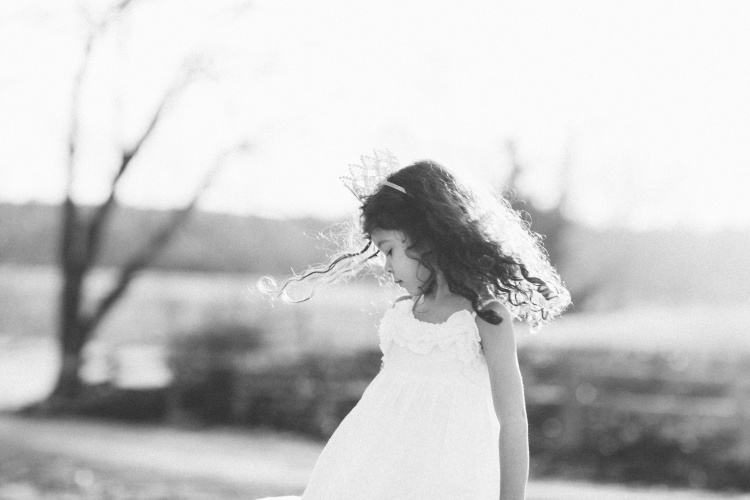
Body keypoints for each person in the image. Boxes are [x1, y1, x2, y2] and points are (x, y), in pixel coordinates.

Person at [258, 151, 570, 500]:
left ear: (425, 238)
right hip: (374, 474)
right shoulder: (403, 313)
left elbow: (513, 421)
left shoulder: (485, 316)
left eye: (389, 251)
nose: (386, 266)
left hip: (448, 479)